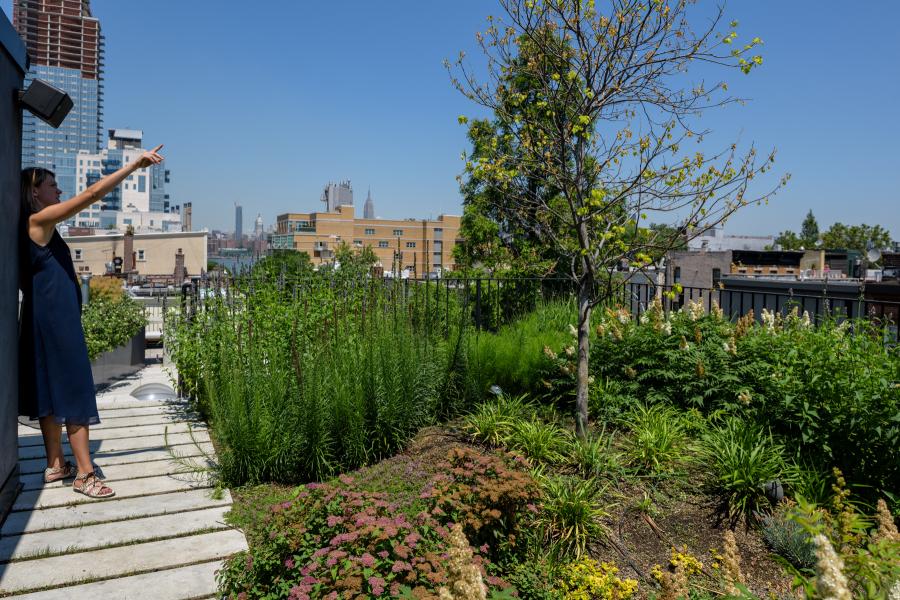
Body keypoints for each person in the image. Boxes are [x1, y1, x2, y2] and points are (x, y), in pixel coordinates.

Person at [19, 144, 165, 499]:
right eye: (53, 186)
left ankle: (56, 464)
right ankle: (85, 474)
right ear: (35, 192)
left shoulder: (34, 225)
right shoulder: (38, 222)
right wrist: (134, 165)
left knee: (49, 391)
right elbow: (91, 193)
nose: (59, 191)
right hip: (56, 323)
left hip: (41, 320)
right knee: (74, 390)